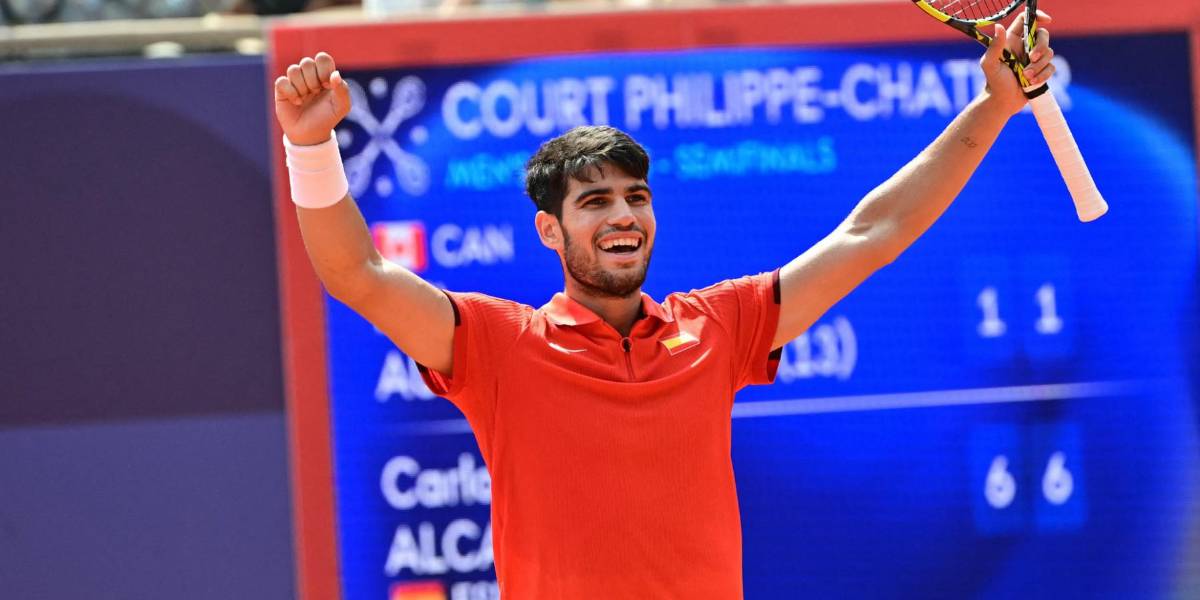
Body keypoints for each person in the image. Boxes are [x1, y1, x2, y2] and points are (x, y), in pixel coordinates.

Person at [273, 14, 1056, 599]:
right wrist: (310, 147)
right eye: (595, 201)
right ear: (550, 229)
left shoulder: (718, 326)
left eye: (637, 197)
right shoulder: (494, 344)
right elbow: (358, 272)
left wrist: (992, 106)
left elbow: (874, 230)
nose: (623, 215)